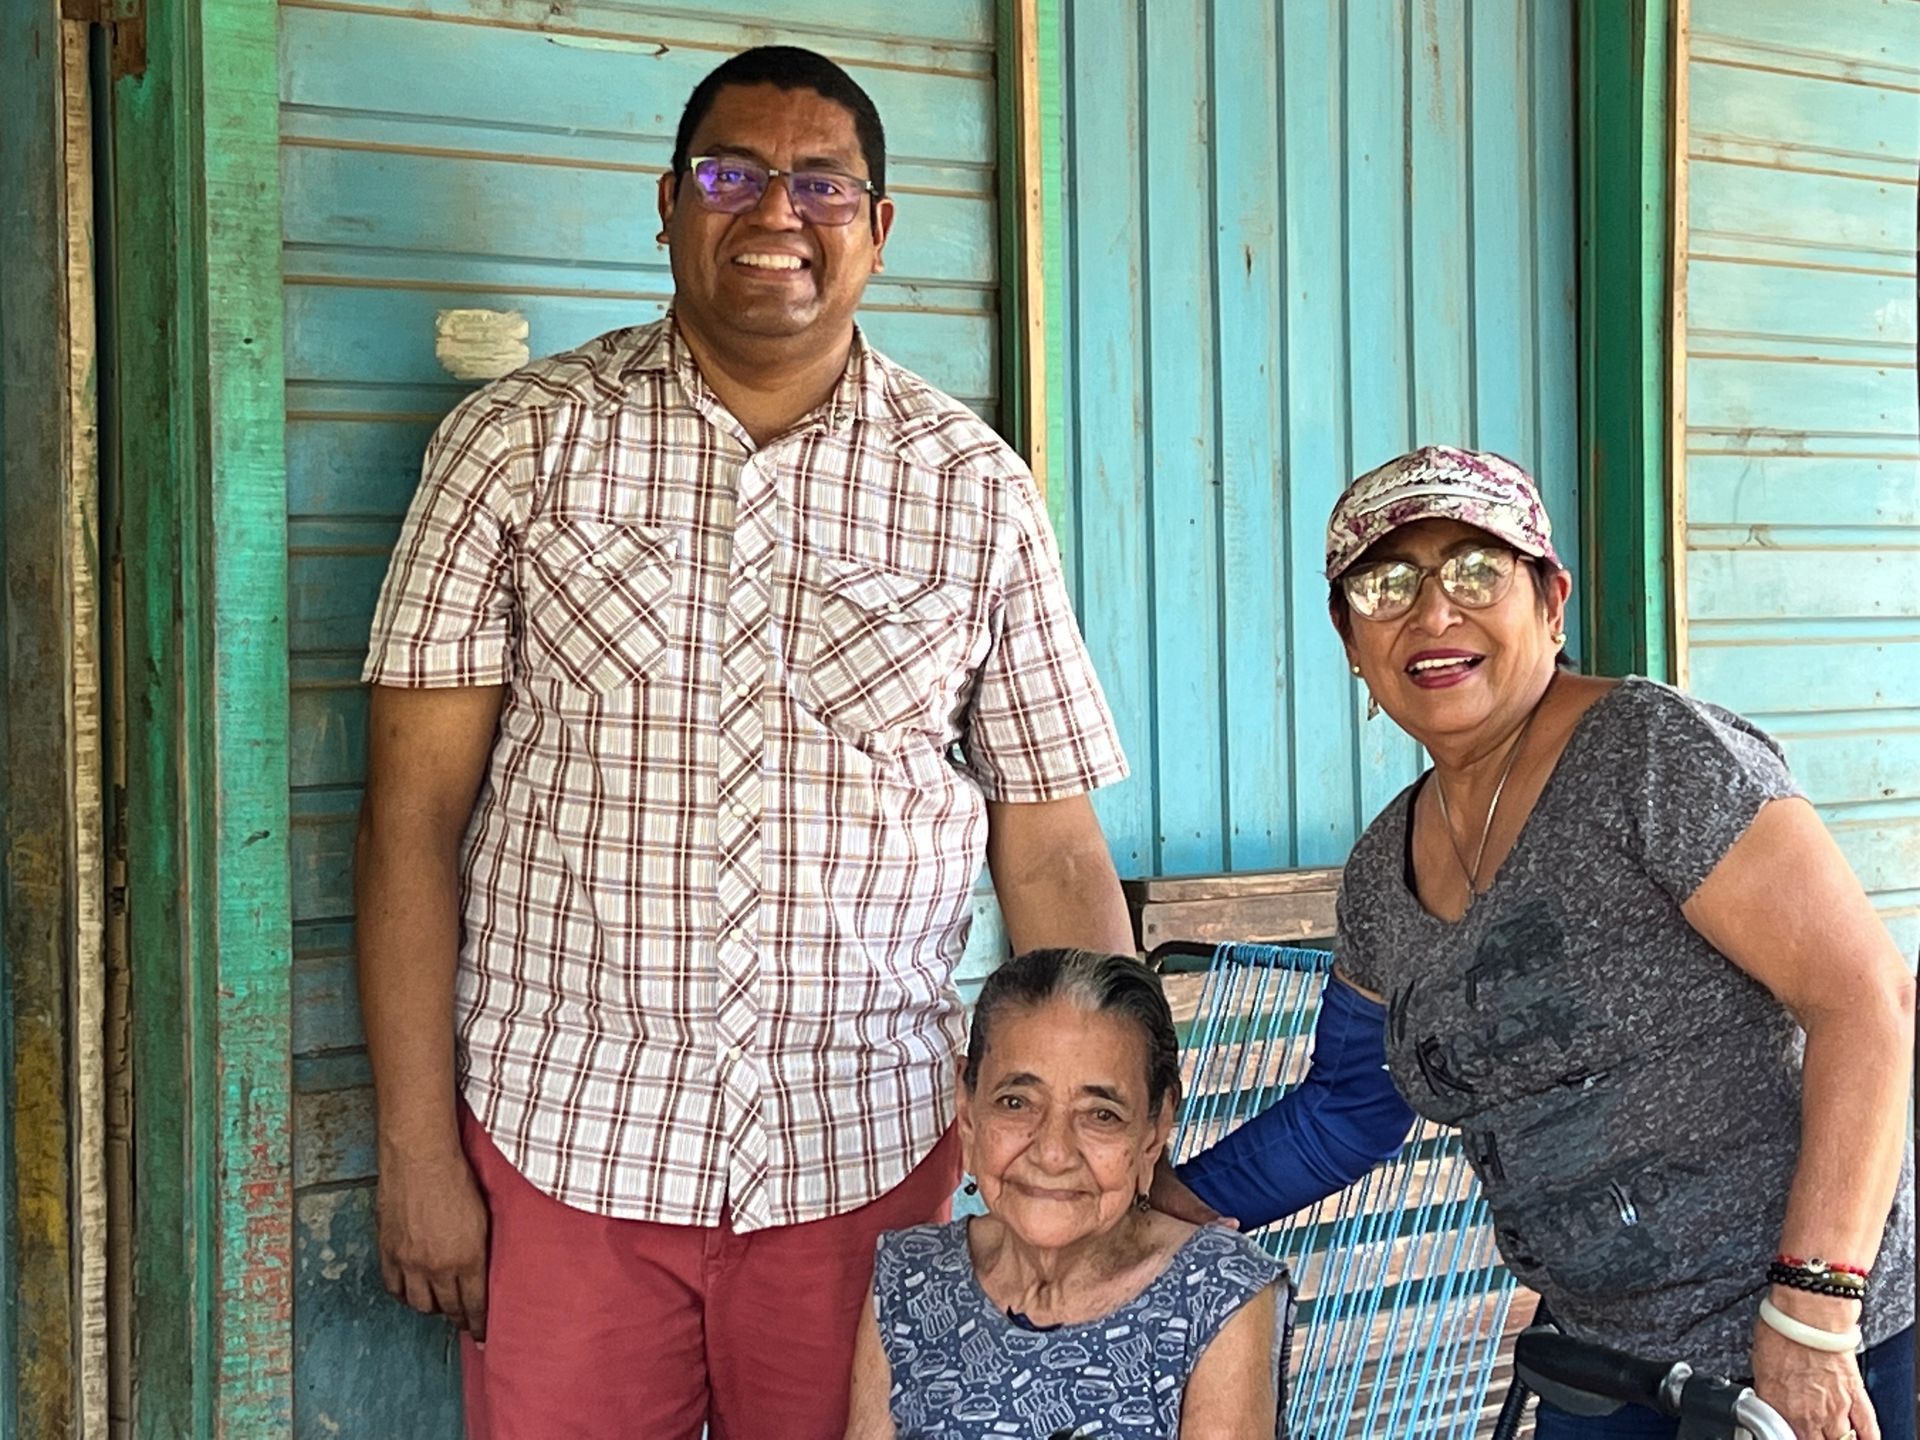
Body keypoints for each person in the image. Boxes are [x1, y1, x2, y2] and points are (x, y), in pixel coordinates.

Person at [353, 46, 1135, 1440]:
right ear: (668, 204)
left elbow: (1053, 842)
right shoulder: (518, 447)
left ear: (879, 228)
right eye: (732, 174)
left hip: (868, 1155)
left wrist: (1093, 1160)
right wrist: (416, 1149)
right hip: (563, 1143)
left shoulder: (972, 489)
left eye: (821, 183)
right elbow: (408, 821)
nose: (776, 212)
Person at [1158, 446, 1916, 1440]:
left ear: (1551, 602)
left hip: (1831, 1352)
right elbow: (1349, 1108)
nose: (1434, 615)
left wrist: (1814, 1307)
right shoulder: (1384, 871)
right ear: (1350, 638)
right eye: (1387, 584)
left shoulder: (1651, 754)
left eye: (1477, 570)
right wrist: (1148, 1216)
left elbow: (1864, 997)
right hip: (1605, 1367)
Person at [846, 949, 1289, 1440]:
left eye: (1101, 1115)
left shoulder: (1216, 1290)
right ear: (968, 1113)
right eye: (1016, 1102)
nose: (1053, 1154)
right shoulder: (910, 1277)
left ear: (1154, 1129)